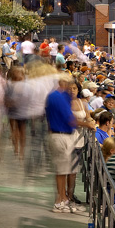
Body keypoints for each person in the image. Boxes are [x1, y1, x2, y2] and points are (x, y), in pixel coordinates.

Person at [46, 75, 81, 213]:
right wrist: (87, 124)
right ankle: (58, 201)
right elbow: (70, 119)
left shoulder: (61, 97)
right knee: (61, 171)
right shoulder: (57, 97)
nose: (70, 88)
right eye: (68, 85)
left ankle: (64, 198)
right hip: (60, 136)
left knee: (65, 170)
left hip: (63, 136)